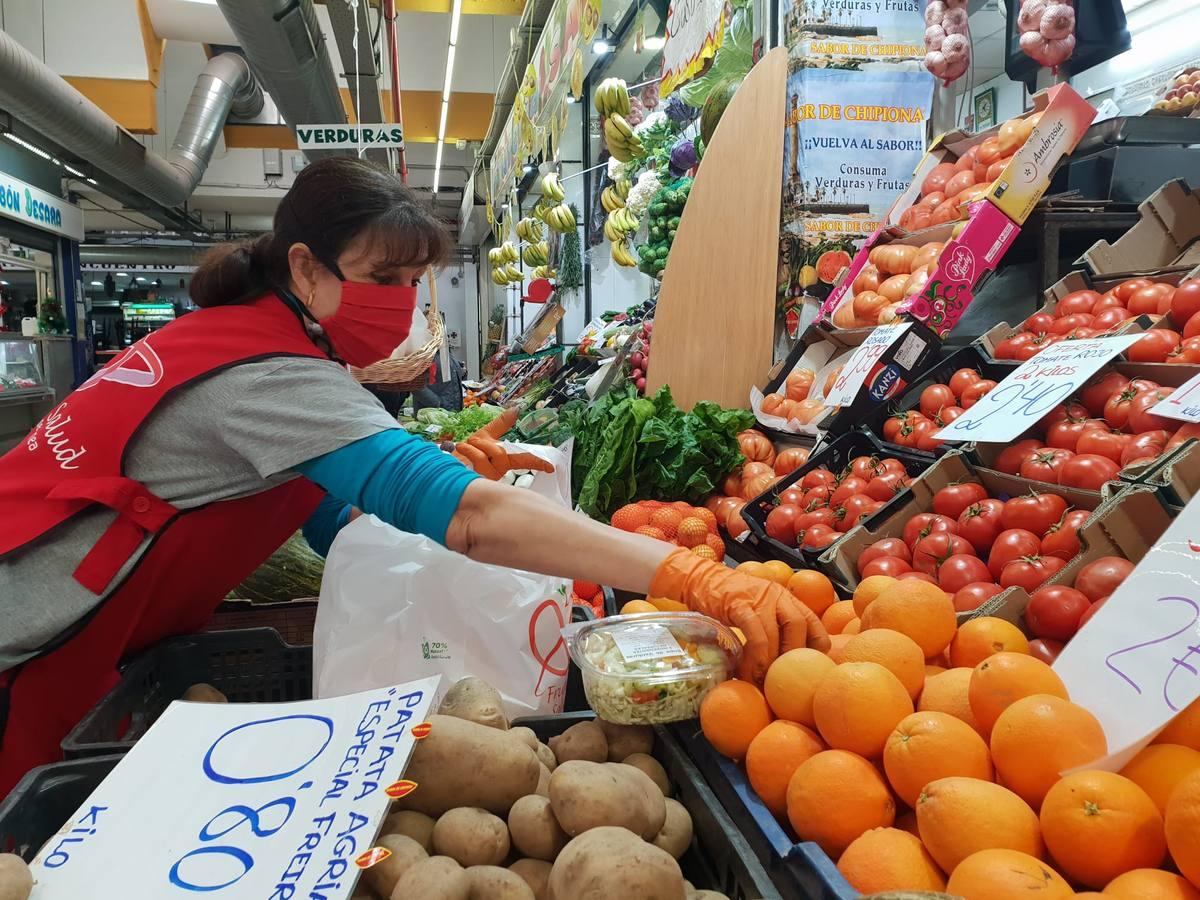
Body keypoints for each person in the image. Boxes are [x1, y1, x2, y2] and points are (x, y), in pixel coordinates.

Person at [0, 158, 826, 793]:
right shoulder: (268, 372)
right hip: (32, 631)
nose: (398, 303)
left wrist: (439, 475)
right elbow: (465, 522)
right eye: (382, 280)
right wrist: (687, 571)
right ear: (306, 268)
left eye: (410, 283)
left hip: (83, 618)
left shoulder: (247, 340)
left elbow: (331, 520)